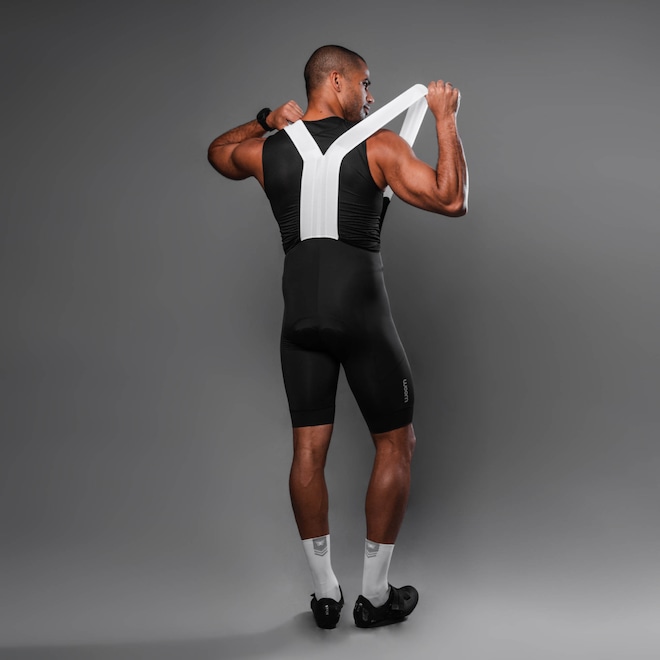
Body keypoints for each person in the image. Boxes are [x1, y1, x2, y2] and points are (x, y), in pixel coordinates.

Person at [207, 45, 468, 629]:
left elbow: (217, 153)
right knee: (396, 444)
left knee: (307, 452)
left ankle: (325, 593)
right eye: (366, 84)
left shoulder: (270, 150)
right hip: (360, 315)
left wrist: (264, 119)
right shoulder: (380, 146)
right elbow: (451, 198)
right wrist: (445, 119)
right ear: (336, 81)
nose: (371, 97)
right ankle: (374, 596)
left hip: (299, 317)